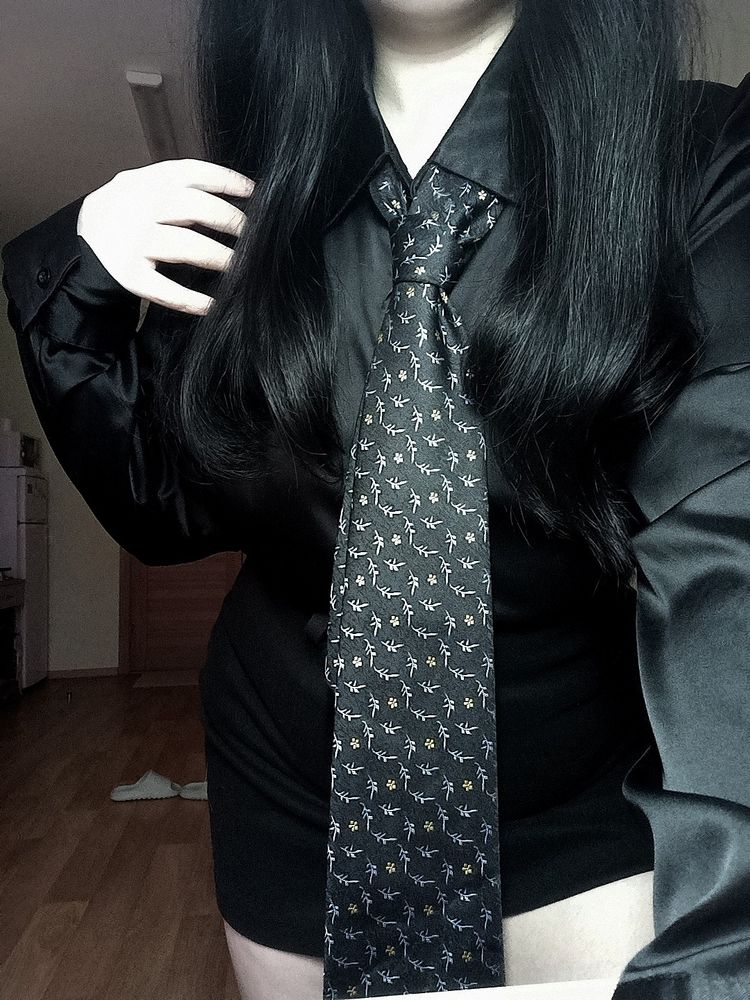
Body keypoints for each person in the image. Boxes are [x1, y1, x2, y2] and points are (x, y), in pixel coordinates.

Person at [2, 0, 749, 997]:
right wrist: (76, 271)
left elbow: (731, 559)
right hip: (288, 795)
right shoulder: (251, 204)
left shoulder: (703, 159)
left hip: (588, 806)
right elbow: (163, 506)